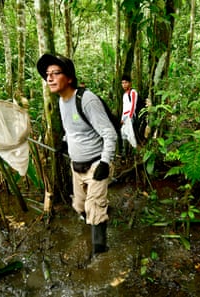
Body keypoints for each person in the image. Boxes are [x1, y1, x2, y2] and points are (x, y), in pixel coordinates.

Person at [37, 53, 117, 256]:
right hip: (76, 167)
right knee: (80, 206)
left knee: (94, 212)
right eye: (47, 74)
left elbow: (109, 134)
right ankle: (101, 212)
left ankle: (100, 259)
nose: (50, 78)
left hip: (96, 165)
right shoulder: (62, 102)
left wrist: (105, 163)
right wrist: (65, 144)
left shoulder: (86, 100)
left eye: (55, 73)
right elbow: (73, 131)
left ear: (69, 78)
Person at [120, 74, 138, 154]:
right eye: (122, 83)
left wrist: (130, 117)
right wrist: (122, 119)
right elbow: (124, 109)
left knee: (131, 136)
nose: (124, 85)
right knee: (123, 134)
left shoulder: (133, 92)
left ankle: (133, 153)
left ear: (130, 83)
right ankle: (126, 154)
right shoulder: (124, 95)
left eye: (126, 82)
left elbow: (133, 105)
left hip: (130, 117)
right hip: (125, 118)